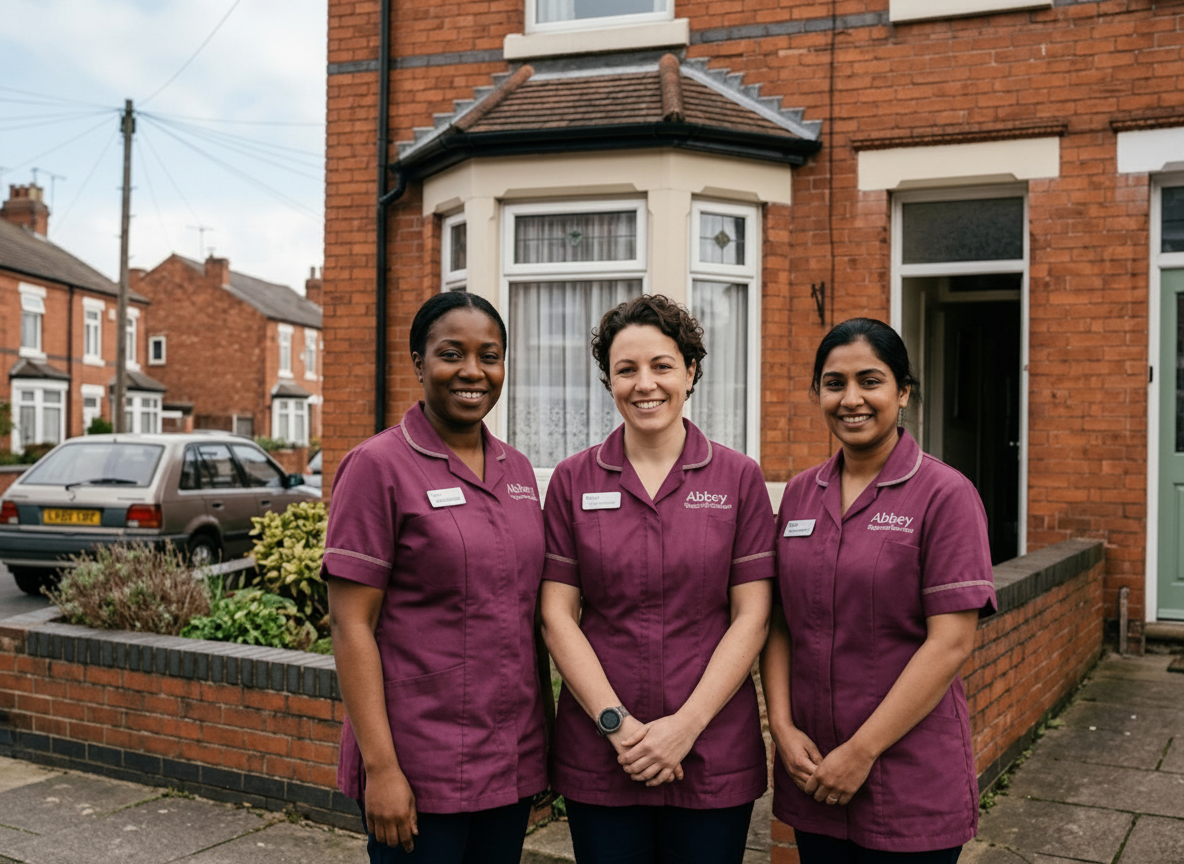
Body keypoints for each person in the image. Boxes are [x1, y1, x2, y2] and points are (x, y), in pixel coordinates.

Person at [540, 294, 775, 864]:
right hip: (603, 751)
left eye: (662, 365)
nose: (645, 384)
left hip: (712, 750)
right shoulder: (572, 481)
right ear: (609, 381)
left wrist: (684, 728)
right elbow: (555, 615)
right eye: (626, 369)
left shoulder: (739, 478)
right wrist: (616, 725)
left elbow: (753, 615)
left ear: (690, 371)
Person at [761, 318, 996, 863]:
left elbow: (951, 643)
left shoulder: (945, 494)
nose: (851, 399)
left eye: (871, 381)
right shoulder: (799, 494)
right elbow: (779, 622)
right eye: (834, 383)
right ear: (817, 392)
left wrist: (861, 753)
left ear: (903, 390)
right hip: (814, 768)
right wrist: (781, 724)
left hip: (909, 778)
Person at [325, 291, 548, 864]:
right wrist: (382, 770)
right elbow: (351, 627)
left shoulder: (516, 469)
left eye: (490, 356)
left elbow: (524, 618)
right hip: (419, 765)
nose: (473, 372)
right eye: (452, 354)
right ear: (419, 363)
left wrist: (537, 755)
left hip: (509, 760)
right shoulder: (377, 467)